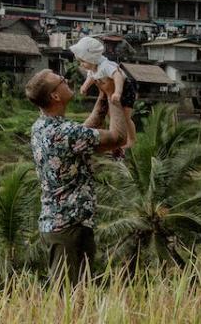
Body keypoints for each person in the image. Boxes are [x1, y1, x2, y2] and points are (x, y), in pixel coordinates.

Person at [25, 69, 127, 284]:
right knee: (66, 300)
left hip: (66, 224)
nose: (66, 80)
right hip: (67, 228)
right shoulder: (65, 132)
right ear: (55, 96)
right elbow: (118, 137)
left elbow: (84, 132)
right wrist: (114, 97)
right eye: (60, 80)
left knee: (80, 296)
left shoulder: (43, 126)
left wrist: (102, 97)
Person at [71, 36, 137, 150]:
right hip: (109, 92)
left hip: (125, 88)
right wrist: (85, 87)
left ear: (92, 58)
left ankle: (131, 139)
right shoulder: (92, 68)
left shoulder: (106, 65)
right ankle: (115, 135)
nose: (81, 64)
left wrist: (117, 92)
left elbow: (118, 76)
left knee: (125, 117)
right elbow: (90, 78)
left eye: (83, 61)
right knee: (112, 115)